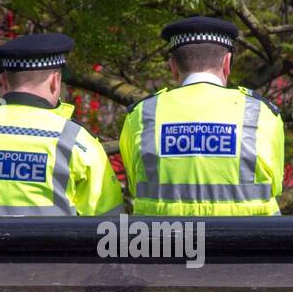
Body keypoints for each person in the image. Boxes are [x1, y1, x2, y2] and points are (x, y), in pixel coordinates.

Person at [0, 33, 123, 217]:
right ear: (55, 81)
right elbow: (107, 222)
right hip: (50, 249)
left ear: (6, 80)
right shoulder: (76, 141)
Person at [119, 16, 284, 216]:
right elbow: (275, 185)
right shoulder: (261, 113)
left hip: (164, 244)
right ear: (227, 62)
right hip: (247, 244)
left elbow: (134, 183)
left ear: (172, 66)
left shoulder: (141, 114)